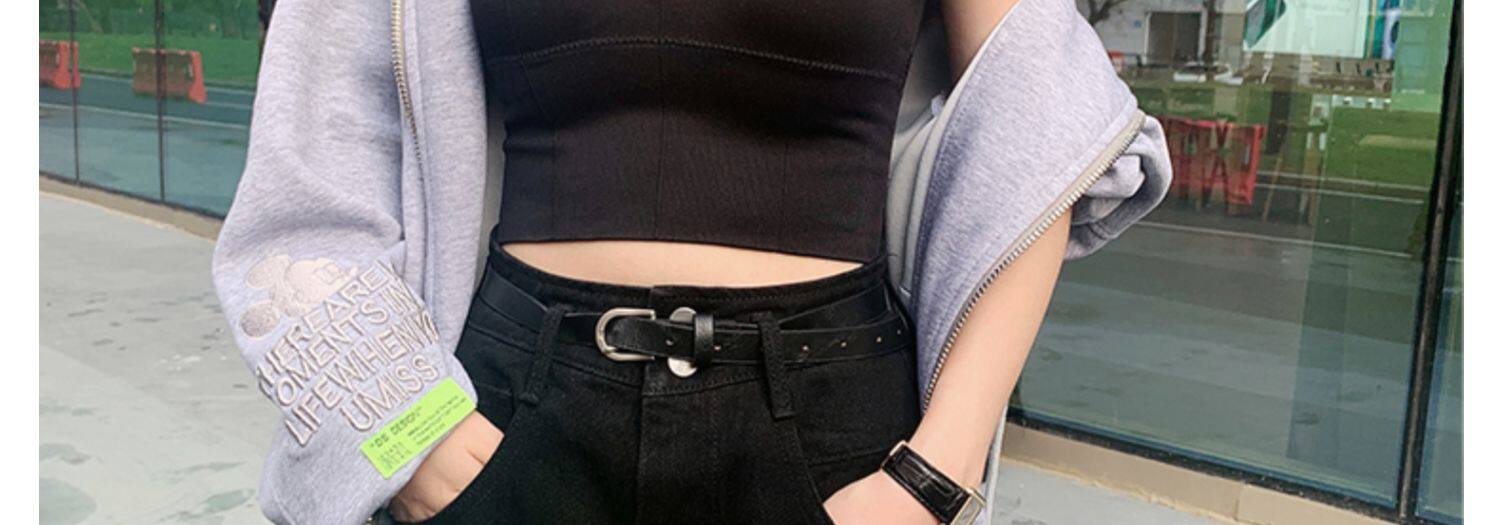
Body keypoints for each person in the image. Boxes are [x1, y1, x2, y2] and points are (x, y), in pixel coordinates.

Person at [210, 0, 1172, 523]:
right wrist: (400, 430)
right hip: (507, 413)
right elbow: (314, 172)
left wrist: (937, 472)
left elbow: (1045, 129)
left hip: (833, 427)